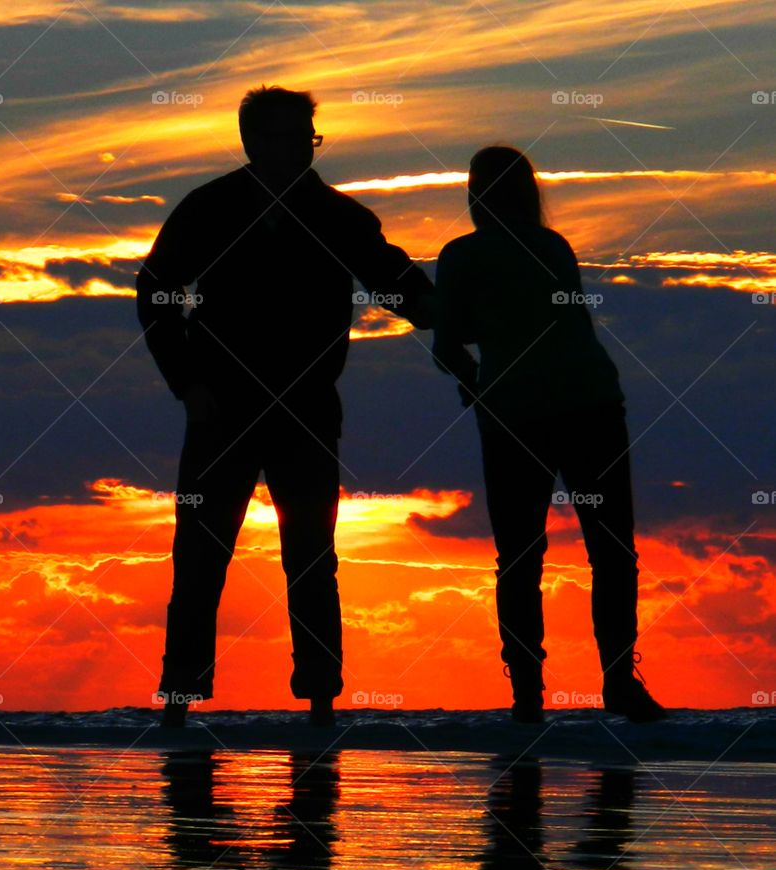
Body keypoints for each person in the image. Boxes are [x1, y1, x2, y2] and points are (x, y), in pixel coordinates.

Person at [137, 86, 434, 728]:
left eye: (307, 137)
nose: (301, 149)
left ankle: (322, 703)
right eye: (287, 137)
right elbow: (156, 288)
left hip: (306, 408)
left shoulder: (337, 215)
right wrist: (187, 383)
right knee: (200, 555)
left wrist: (456, 310)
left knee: (311, 556)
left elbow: (394, 280)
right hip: (221, 411)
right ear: (252, 142)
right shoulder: (210, 208)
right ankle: (179, 703)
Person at [432, 145, 666, 723]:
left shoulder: (461, 255)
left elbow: (448, 344)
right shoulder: (552, 246)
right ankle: (619, 684)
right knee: (611, 550)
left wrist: (474, 385)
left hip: (515, 416)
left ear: (474, 195)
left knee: (519, 555)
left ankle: (527, 696)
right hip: (590, 405)